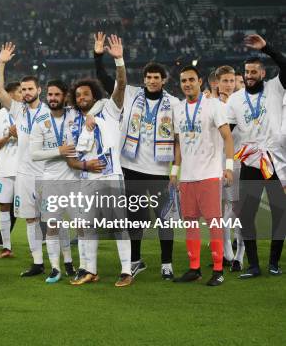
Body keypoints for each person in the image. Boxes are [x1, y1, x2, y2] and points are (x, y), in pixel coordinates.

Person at [94, 31, 179, 280]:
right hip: (131, 167)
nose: (152, 81)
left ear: (164, 80)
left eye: (156, 77)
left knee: (165, 220)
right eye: (148, 77)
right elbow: (104, 79)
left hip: (161, 170)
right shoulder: (130, 94)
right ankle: (135, 260)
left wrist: (174, 170)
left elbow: (177, 140)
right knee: (135, 219)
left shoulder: (174, 103)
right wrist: (100, 56)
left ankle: (166, 263)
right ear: (143, 79)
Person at [64, 35, 133, 287]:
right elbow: (71, 158)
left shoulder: (108, 108)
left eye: (86, 93)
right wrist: (84, 165)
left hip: (110, 175)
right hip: (86, 179)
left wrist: (118, 60)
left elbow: (122, 86)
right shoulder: (71, 121)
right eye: (78, 94)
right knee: (85, 226)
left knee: (117, 224)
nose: (82, 96)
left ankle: (126, 271)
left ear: (94, 95)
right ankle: (89, 269)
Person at [226, 34, 286, 278]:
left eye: (254, 72)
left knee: (280, 212)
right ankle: (253, 265)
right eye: (246, 72)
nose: (249, 76)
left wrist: (267, 48)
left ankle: (273, 262)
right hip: (250, 159)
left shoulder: (275, 87)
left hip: (274, 159)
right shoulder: (235, 99)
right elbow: (227, 132)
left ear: (262, 74)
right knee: (246, 214)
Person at [171, 65, 234, 286]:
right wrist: (174, 170)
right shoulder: (178, 109)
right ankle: (194, 268)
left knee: (213, 222)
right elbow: (178, 143)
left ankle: (218, 270)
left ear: (200, 81)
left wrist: (229, 166)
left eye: (191, 79)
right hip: (187, 176)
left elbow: (227, 137)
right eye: (183, 81)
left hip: (209, 174)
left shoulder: (213, 105)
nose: (187, 84)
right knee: (190, 222)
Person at [0, 43, 51, 277]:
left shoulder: (50, 113)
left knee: (52, 219)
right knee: (30, 218)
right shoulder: (18, 111)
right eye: (23, 89)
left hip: (47, 172)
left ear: (39, 89)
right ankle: (37, 263)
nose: (27, 92)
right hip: (25, 174)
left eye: (30, 89)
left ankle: (63, 263)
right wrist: (1, 63)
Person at [30, 79, 78, 283]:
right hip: (49, 180)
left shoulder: (76, 116)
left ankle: (74, 264)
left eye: (57, 94)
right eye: (50, 95)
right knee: (52, 225)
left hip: (75, 178)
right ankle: (55, 268)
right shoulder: (40, 121)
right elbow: (34, 154)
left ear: (65, 96)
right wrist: (60, 151)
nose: (53, 98)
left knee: (79, 225)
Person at [215, 66, 245, 271]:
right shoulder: (211, 104)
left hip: (239, 161)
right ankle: (227, 251)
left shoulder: (243, 103)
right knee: (220, 209)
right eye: (224, 81)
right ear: (217, 83)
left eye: (231, 81)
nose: (228, 84)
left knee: (237, 209)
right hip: (217, 162)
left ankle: (239, 255)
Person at [0, 80, 21, 259]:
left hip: (26, 169)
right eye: (19, 92)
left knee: (33, 210)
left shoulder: (27, 113)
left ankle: (39, 249)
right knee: (3, 207)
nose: (23, 95)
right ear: (9, 95)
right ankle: (6, 247)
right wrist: (8, 135)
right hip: (5, 169)